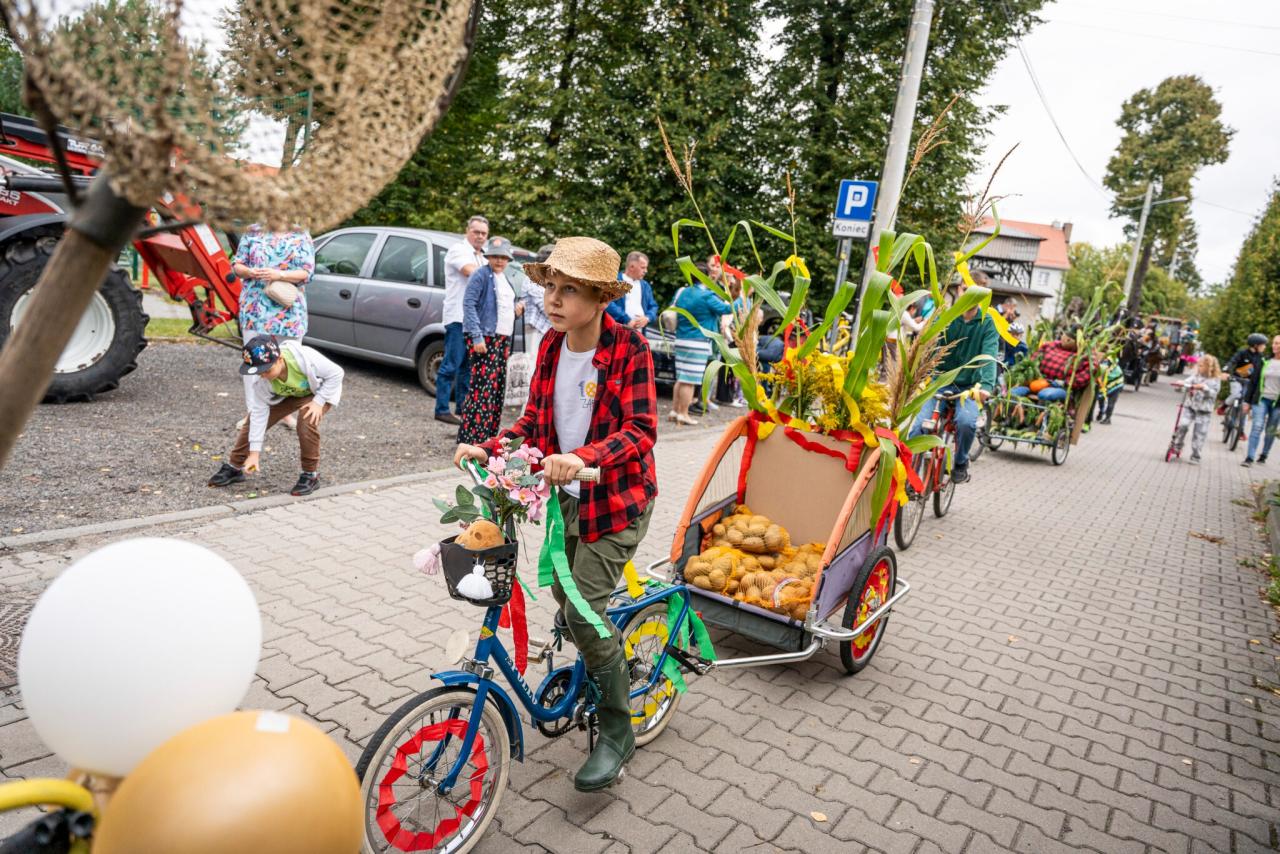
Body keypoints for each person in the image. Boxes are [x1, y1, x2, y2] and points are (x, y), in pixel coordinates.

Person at [453, 236, 657, 793]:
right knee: (569, 607)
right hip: (569, 500)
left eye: (570, 290)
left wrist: (583, 457)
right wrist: (491, 446)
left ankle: (617, 732)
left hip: (616, 501)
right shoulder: (550, 347)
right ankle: (597, 662)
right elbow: (534, 423)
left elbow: (641, 432)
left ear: (599, 298)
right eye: (550, 287)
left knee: (585, 613)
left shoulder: (628, 351)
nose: (554, 299)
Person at [207, 335, 344, 497]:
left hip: (317, 393)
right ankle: (235, 467)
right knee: (252, 421)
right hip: (287, 395)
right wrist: (254, 453)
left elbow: (337, 373)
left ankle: (310, 475)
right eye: (259, 372)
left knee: (307, 420)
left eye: (266, 370)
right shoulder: (262, 381)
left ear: (279, 359)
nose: (263, 375)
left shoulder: (305, 358)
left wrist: (319, 402)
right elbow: (259, 415)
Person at [908, 278, 999, 484]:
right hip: (940, 381)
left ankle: (960, 462)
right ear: (959, 290)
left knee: (966, 422)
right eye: (968, 290)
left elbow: (989, 355)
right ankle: (907, 476)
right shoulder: (946, 316)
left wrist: (985, 386)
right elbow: (928, 345)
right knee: (918, 427)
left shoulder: (987, 323)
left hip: (969, 387)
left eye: (979, 292)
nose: (972, 295)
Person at [458, 236, 523, 445]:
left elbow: (504, 305)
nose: (499, 261)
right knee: (482, 388)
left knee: (496, 389)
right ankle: (473, 437)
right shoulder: (481, 275)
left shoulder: (506, 278)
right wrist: (477, 337)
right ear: (489, 257)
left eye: (503, 257)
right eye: (495, 257)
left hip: (501, 340)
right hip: (484, 338)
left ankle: (489, 436)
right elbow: (468, 305)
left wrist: (517, 310)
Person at [436, 215, 489, 426]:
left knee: (468, 368)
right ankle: (441, 408)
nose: (480, 236)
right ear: (468, 231)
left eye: (484, 233)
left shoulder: (483, 257)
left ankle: (462, 408)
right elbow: (471, 273)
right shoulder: (458, 250)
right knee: (450, 364)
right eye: (476, 232)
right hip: (458, 316)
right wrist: (491, 273)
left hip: (474, 321)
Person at [670, 260, 731, 425]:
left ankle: (675, 411)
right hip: (698, 342)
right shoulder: (706, 295)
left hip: (681, 339)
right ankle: (683, 413)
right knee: (690, 381)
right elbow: (727, 309)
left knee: (681, 378)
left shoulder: (682, 292)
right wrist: (740, 297)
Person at [232, 224, 315, 342]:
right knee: (256, 358)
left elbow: (308, 272)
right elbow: (237, 265)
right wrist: (249, 272)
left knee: (288, 359)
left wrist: (279, 275)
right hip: (254, 312)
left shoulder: (301, 234)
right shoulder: (252, 231)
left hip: (289, 314)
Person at [1172, 354, 1222, 464]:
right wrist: (1181, 384)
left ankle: (1196, 455)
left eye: (1201, 366)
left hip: (1204, 410)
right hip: (1191, 406)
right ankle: (1177, 445)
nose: (1199, 368)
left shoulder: (1215, 379)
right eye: (1198, 365)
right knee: (1183, 425)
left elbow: (1214, 393)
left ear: (1209, 367)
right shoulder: (1196, 376)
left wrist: (1204, 388)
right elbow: (1187, 382)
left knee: (1199, 433)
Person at [1242, 334, 1280, 467]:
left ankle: (1264, 454)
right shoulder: (1264, 360)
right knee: (1257, 426)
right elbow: (1253, 382)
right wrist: (1247, 401)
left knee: (1270, 430)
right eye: (1275, 343)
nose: (1276, 346)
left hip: (1278, 403)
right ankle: (1249, 458)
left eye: (1278, 343)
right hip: (1261, 399)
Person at [521, 243, 556, 365]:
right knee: (533, 365)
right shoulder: (532, 280)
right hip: (534, 330)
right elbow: (546, 307)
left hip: (545, 330)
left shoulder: (547, 281)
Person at [606, 251, 659, 331]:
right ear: (631, 267)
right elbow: (608, 302)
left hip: (640, 332)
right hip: (617, 329)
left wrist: (647, 318)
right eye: (643, 267)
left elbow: (653, 306)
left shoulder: (645, 285)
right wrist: (627, 319)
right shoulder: (616, 281)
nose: (646, 271)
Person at [1223, 332, 1267, 416]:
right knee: (1236, 394)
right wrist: (1226, 367)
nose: (1264, 347)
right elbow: (1233, 360)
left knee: (1246, 399)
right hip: (1237, 379)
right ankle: (1224, 406)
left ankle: (1242, 423)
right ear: (1255, 345)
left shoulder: (1261, 357)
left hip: (1249, 382)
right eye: (1263, 345)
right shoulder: (1242, 353)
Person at [1095, 359, 1125, 424]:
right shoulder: (1105, 366)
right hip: (1106, 385)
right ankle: (1101, 412)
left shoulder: (1116, 369)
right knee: (1101, 399)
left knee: (1110, 403)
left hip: (1116, 386)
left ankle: (1108, 419)